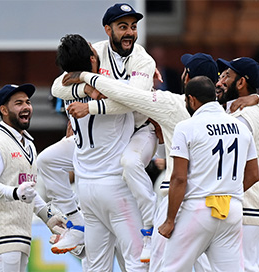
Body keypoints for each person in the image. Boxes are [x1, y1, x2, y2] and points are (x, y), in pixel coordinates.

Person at [62, 52, 218, 272]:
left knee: (159, 266)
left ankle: (148, 226)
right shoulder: (228, 113)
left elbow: (126, 95)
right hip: (220, 204)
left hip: (181, 203)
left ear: (187, 78)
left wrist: (87, 79)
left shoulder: (171, 103)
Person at [48, 3, 157, 263]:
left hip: (141, 130)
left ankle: (152, 230)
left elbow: (134, 101)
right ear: (108, 30)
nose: (130, 32)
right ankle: (75, 223)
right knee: (47, 161)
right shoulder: (93, 52)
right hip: (103, 166)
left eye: (133, 27)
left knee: (130, 163)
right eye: (123, 27)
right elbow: (56, 86)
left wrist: (91, 107)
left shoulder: (143, 59)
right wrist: (86, 90)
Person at [158, 76, 259, 271]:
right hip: (232, 209)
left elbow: (179, 178)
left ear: (192, 100)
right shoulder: (239, 125)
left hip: (198, 209)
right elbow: (254, 173)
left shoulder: (186, 127)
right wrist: (228, 192)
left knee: (170, 268)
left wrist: (170, 221)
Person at [0, 83, 68, 272]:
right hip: (0, 234)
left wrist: (49, 217)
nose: (26, 107)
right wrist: (16, 192)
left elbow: (28, 193)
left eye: (28, 102)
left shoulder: (28, 144)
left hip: (21, 234)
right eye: (18, 103)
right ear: (4, 110)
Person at [216, 57, 259, 272]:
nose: (220, 81)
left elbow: (251, 171)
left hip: (247, 206)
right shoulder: (233, 112)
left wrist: (230, 197)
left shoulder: (244, 116)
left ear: (241, 82)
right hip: (244, 206)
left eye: (226, 76)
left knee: (246, 267)